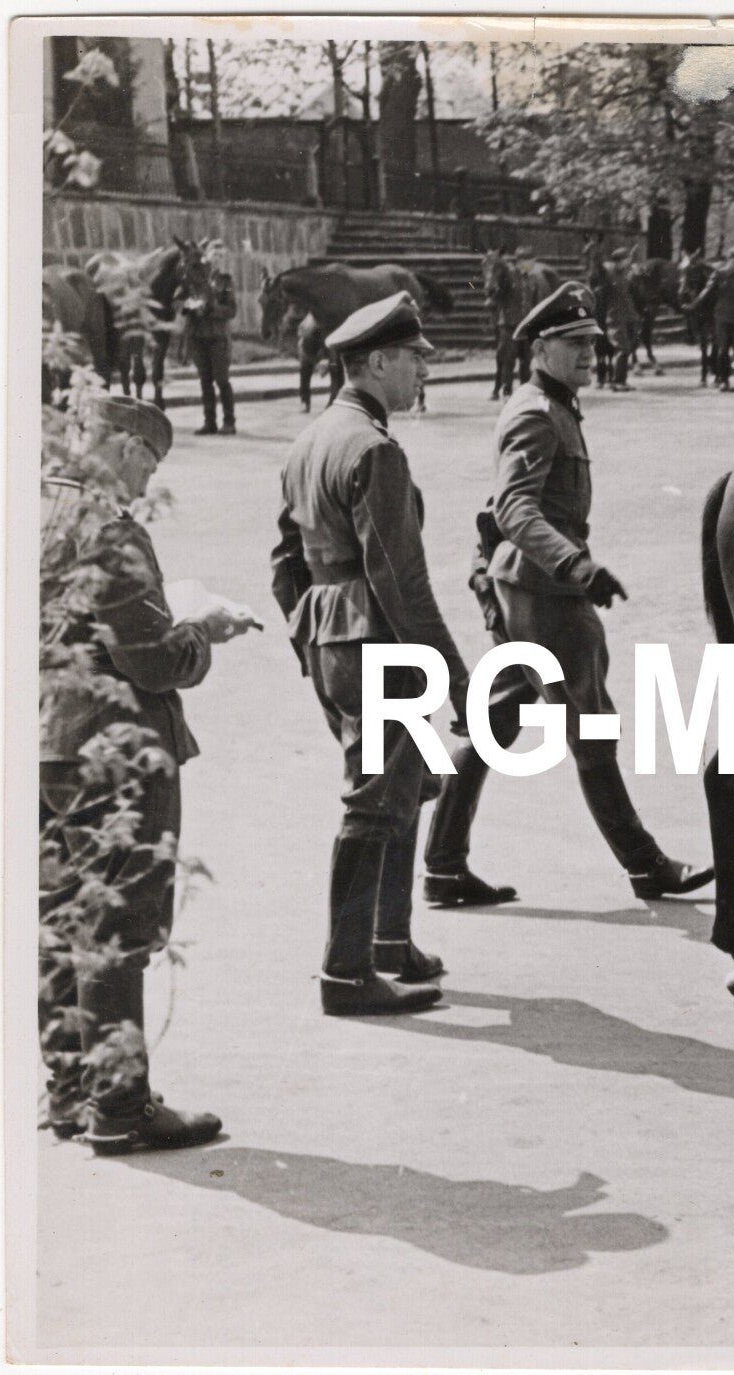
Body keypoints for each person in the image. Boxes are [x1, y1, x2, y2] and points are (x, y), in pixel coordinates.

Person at [424, 284, 714, 916]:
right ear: (540, 346)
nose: (590, 353)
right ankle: (646, 866)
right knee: (592, 730)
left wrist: (487, 573)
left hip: (525, 586)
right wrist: (577, 566)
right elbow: (513, 506)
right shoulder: (536, 412)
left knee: (499, 722)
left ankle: (443, 866)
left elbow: (497, 508)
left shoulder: (551, 405)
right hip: (547, 595)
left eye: (593, 343)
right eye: (575, 343)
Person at [40, 395, 258, 1151]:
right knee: (118, 923)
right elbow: (156, 660)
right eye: (151, 466)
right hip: (117, 747)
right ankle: (121, 1108)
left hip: (44, 743)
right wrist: (204, 632)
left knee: (61, 917)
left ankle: (69, 1093)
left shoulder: (31, 509)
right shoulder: (110, 530)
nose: (144, 485)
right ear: (128, 449)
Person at [270, 294, 464, 1018]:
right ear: (376, 362)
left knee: (400, 785)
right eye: (414, 360)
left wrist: (312, 637)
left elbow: (284, 561)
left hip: (333, 634)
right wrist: (459, 679)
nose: (422, 373)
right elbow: (400, 582)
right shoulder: (375, 450)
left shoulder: (310, 439)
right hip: (377, 639)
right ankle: (346, 973)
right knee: (375, 800)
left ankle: (388, 940)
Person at [183, 244, 238, 436]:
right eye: (215, 255)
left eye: (222, 256)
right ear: (207, 256)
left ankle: (229, 421)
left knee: (222, 379)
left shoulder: (226, 281)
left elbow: (232, 309)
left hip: (217, 336)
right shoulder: (194, 277)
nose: (218, 259)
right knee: (205, 380)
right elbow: (181, 299)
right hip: (198, 335)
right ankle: (210, 421)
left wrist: (210, 310)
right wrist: (189, 306)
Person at [688, 251, 734, 392]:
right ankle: (724, 381)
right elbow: (706, 291)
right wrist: (694, 304)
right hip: (722, 317)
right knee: (723, 350)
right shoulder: (719, 274)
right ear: (728, 261)